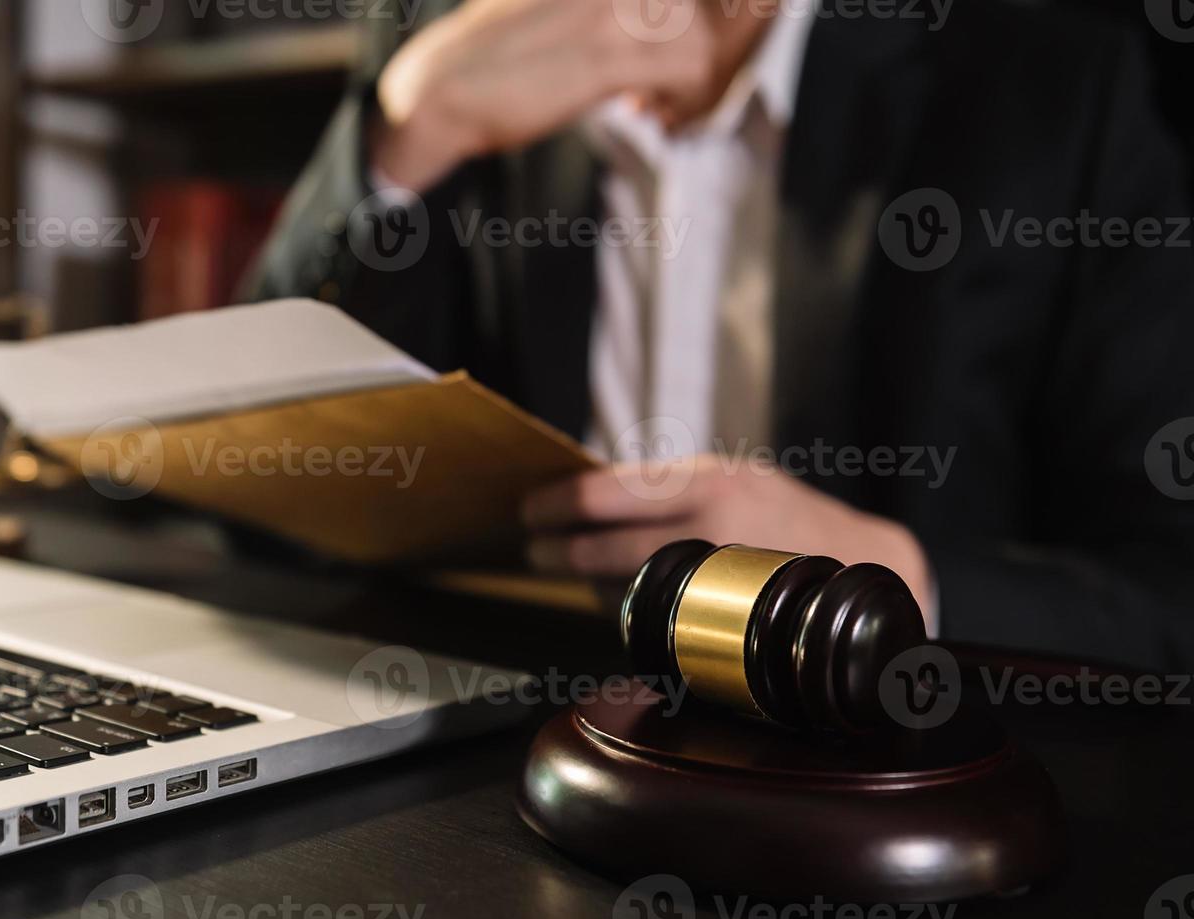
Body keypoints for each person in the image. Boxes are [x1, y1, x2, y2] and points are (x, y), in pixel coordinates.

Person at [250, 0, 1194, 671]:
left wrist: (890, 579)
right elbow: (258, 466)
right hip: (499, 756)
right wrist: (412, 130)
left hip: (890, 777)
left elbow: (1165, 596)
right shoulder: (446, 39)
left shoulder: (1058, 85)